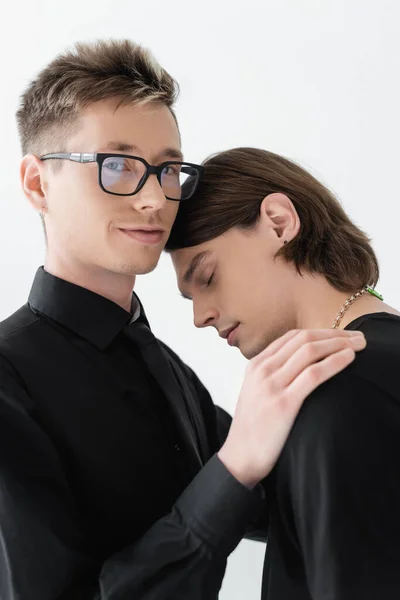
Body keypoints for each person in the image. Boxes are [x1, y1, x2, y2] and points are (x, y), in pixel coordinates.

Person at [0, 42, 365, 600]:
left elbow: (285, 498)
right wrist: (235, 466)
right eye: (117, 165)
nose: (154, 199)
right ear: (37, 183)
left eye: (168, 169)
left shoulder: (166, 369)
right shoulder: (8, 378)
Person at [166, 146, 400, 600]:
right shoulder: (377, 360)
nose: (200, 316)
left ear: (279, 221)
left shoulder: (339, 391)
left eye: (208, 276)